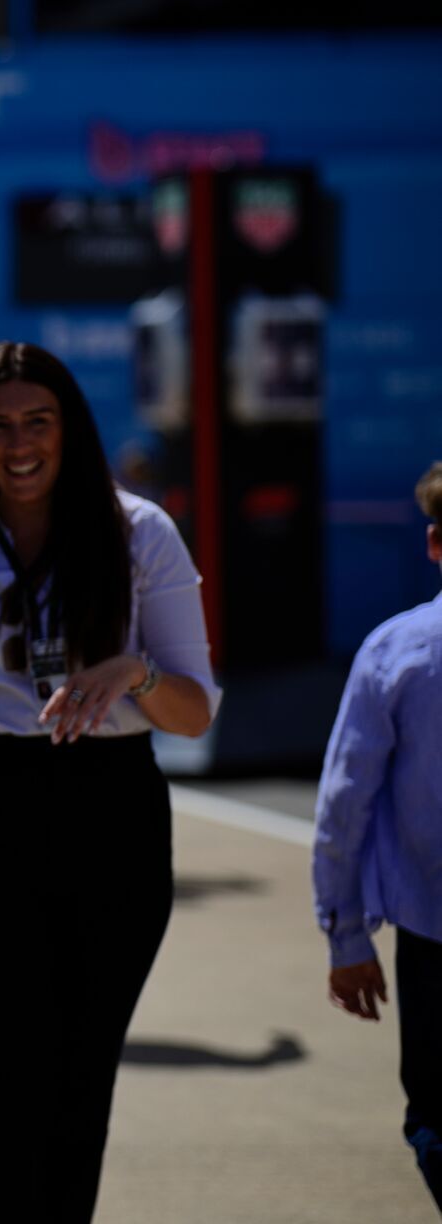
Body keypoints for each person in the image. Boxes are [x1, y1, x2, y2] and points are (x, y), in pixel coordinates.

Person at [0, 342, 221, 1223]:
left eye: (38, 422)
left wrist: (133, 672)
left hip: (110, 814)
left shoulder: (138, 533)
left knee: (78, 1078)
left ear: (70, 431)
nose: (19, 442)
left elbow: (195, 712)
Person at [311, 460, 442, 1210]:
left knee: (438, 1118)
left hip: (433, 937)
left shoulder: (396, 652)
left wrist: (347, 936)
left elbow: (343, 805)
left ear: (432, 543)